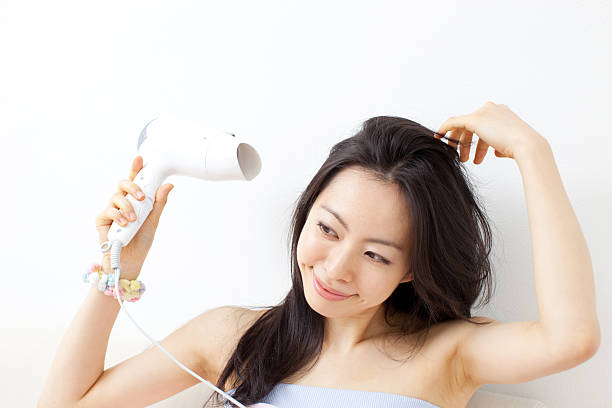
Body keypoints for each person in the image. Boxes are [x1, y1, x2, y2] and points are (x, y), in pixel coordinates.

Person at [38, 102, 600, 408]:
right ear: (305, 215)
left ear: (412, 269)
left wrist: (533, 152)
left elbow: (571, 339)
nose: (335, 269)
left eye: (377, 256)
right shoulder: (232, 336)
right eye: (327, 229)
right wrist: (120, 267)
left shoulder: (449, 352)